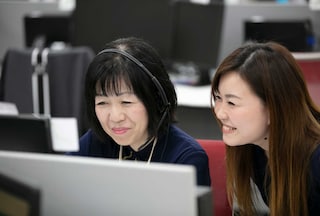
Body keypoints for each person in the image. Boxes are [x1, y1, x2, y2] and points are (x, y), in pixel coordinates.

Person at [68, 37, 211, 186]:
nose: (116, 117)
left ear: (157, 98)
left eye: (126, 102)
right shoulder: (95, 142)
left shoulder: (186, 159)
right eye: (103, 103)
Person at [211, 41, 320, 215]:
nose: (220, 113)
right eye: (218, 98)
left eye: (232, 102)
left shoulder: (315, 161)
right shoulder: (255, 149)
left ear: (273, 108)